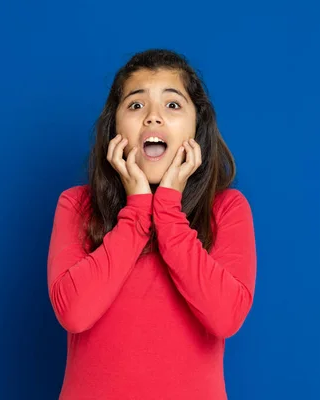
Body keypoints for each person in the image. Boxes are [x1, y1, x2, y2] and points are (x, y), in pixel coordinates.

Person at [47, 48, 257, 400]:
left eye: (173, 105)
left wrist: (169, 211)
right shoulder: (76, 205)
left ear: (196, 126)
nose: (153, 118)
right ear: (115, 125)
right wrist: (138, 210)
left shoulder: (227, 209)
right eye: (136, 105)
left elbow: (226, 318)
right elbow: (74, 313)